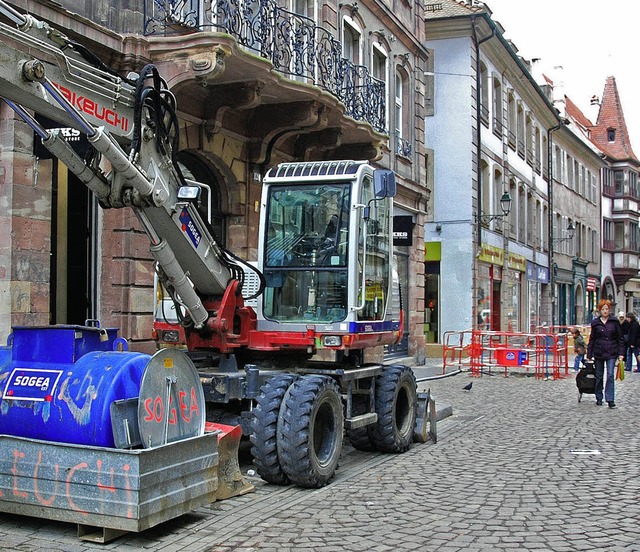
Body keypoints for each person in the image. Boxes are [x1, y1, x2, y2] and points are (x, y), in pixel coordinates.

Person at [587, 299, 626, 408]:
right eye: (603, 309)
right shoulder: (595, 323)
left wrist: (621, 353)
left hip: (612, 351)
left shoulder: (614, 322)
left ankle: (610, 399)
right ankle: (599, 397)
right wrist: (589, 354)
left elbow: (620, 338)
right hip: (599, 352)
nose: (605, 311)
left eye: (607, 309)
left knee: (610, 375)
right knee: (599, 375)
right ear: (599, 310)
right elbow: (592, 339)